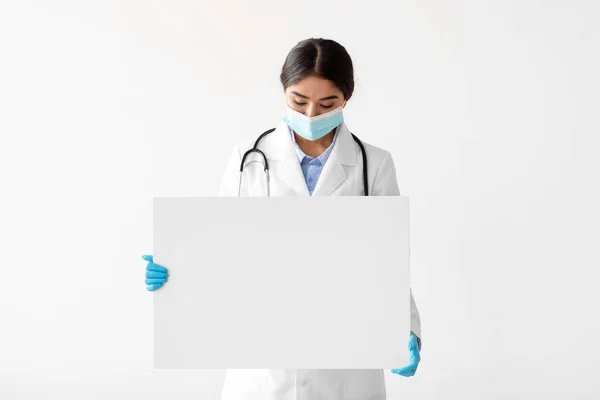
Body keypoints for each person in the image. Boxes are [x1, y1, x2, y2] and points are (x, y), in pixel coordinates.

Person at [142, 37, 422, 400]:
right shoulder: (248, 158)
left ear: (346, 100)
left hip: (345, 371)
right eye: (299, 100)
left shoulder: (375, 164)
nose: (310, 115)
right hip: (262, 369)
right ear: (284, 92)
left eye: (327, 104)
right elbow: (219, 247)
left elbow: (391, 261)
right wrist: (176, 271)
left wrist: (406, 329)